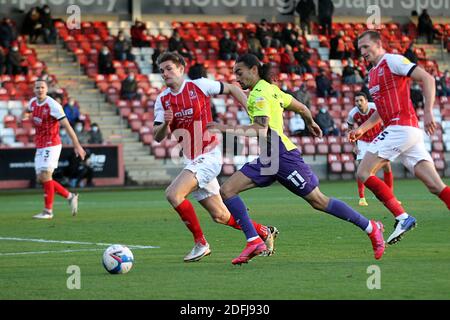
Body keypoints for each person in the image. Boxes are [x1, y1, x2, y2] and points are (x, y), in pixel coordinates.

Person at [207, 54, 385, 265]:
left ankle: (371, 227)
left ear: (254, 69)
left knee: (319, 201)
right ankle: (254, 239)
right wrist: (310, 122)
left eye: (240, 72)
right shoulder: (272, 89)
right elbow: (302, 108)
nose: (236, 78)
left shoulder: (260, 94)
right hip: (269, 157)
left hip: (282, 156)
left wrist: (223, 128)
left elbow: (261, 129)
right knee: (227, 190)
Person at [153, 52, 278, 262]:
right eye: (162, 70)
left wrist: (251, 109)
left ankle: (201, 244)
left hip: (209, 155)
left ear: (181, 69)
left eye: (169, 68)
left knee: (173, 194)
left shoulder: (199, 85)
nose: (165, 73)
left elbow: (231, 88)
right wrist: (166, 123)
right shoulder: (162, 100)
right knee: (221, 216)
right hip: (191, 160)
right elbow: (158, 137)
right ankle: (264, 231)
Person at [349, 30, 450, 245]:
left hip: (400, 128)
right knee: (435, 186)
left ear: (378, 44)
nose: (363, 52)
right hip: (406, 132)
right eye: (360, 49)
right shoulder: (372, 74)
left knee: (363, 171)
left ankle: (402, 217)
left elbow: (427, 78)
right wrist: (363, 129)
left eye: (366, 47)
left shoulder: (392, 61)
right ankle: (403, 217)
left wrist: (429, 111)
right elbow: (380, 110)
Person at [26, 79, 86, 219]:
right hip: (40, 144)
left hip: (52, 143)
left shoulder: (53, 105)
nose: (40, 90)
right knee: (42, 178)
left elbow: (67, 126)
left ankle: (48, 211)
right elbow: (28, 111)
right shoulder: (32, 102)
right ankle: (70, 196)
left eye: (42, 87)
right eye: (37, 88)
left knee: (46, 175)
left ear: (46, 89)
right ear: (34, 90)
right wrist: (24, 116)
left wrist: (76, 145)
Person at [347, 92, 395, 206]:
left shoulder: (375, 108)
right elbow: (349, 129)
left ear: (366, 101)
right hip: (363, 141)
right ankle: (362, 198)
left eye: (361, 100)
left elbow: (387, 119)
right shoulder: (352, 113)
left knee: (387, 166)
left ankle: (390, 197)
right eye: (356, 101)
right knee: (360, 167)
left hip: (378, 139)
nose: (359, 103)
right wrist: (354, 146)